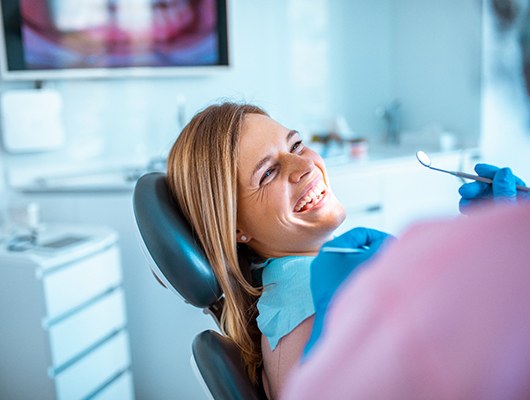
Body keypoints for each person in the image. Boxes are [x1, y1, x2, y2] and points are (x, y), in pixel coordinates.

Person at [166, 102, 387, 398]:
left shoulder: (290, 293)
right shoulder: (307, 302)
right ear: (235, 228)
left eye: (296, 146)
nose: (306, 166)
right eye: (268, 173)